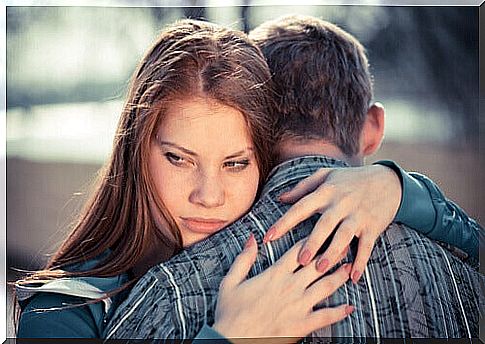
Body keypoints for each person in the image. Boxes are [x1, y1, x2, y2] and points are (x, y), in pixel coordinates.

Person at [16, 18, 479, 339]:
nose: (208, 196)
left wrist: (398, 189)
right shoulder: (63, 308)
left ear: (264, 153)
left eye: (236, 163)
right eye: (179, 159)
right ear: (136, 148)